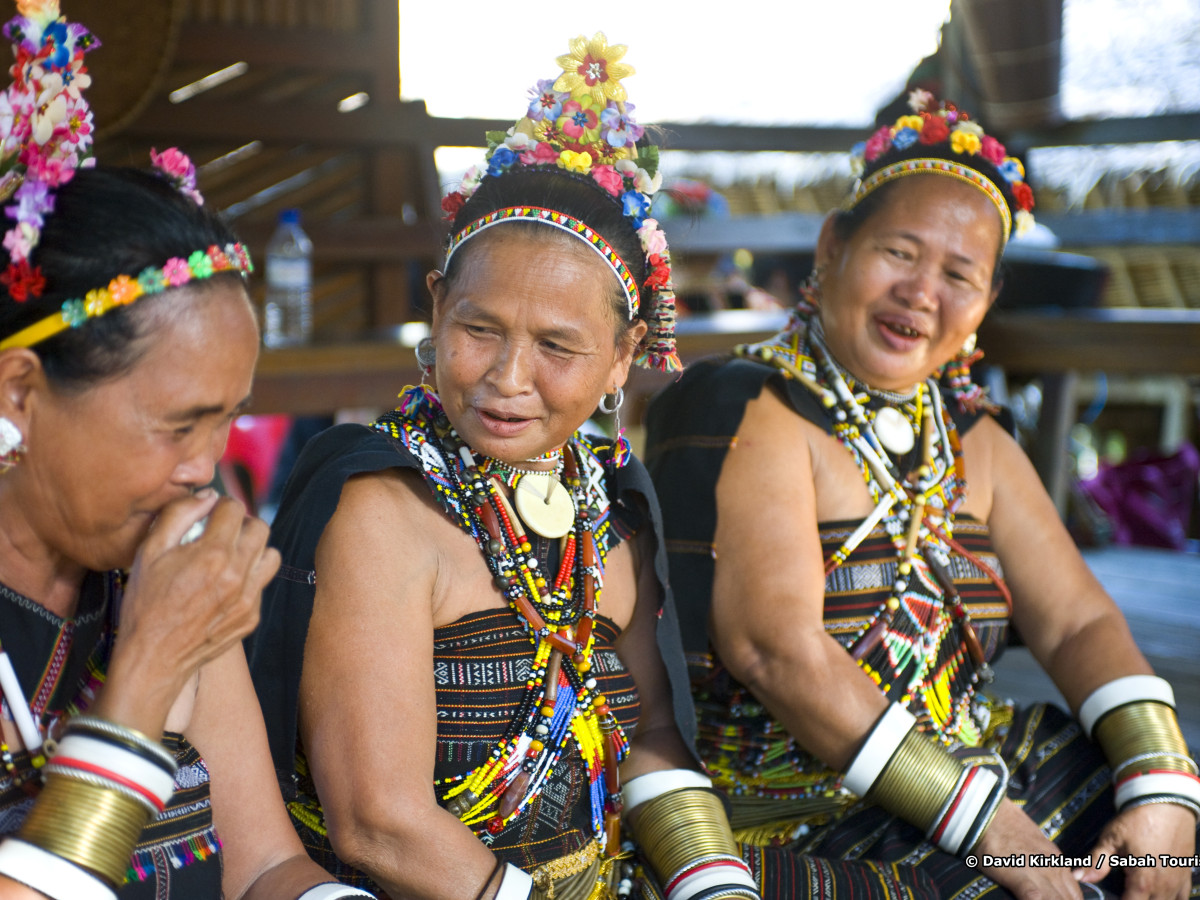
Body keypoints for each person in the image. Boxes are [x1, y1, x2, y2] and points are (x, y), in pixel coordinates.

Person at [248, 34, 930, 900]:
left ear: (622, 359)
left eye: (558, 346)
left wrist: (713, 883)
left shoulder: (607, 506)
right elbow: (378, 824)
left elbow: (649, 736)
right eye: (479, 328)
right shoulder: (381, 511)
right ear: (435, 308)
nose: (506, 378)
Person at [644, 91, 1199, 900]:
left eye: (958, 274)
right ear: (833, 245)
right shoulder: (742, 405)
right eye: (899, 253)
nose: (921, 292)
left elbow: (1078, 621)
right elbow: (777, 652)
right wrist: (1005, 837)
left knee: (1168, 852)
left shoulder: (977, 438)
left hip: (978, 784)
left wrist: (1162, 785)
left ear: (985, 304)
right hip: (798, 824)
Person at [0, 4, 373, 898]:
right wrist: (148, 672)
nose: (206, 469)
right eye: (178, 425)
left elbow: (265, 866)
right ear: (19, 392)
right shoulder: (164, 604)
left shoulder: (158, 565)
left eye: (227, 421)